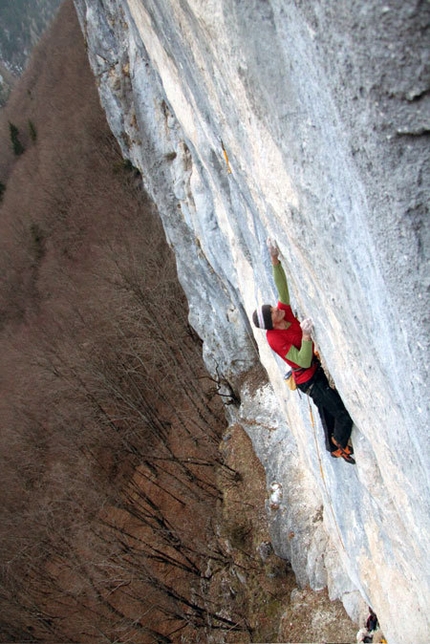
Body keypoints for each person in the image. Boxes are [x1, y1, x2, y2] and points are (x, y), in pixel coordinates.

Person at [252, 240, 355, 464]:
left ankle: (332, 447)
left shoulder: (284, 314)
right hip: (308, 380)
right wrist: (306, 337)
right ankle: (340, 442)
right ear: (272, 322)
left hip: (313, 372)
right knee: (342, 414)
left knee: (326, 410)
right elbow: (302, 358)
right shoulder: (275, 339)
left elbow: (283, 290)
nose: (276, 308)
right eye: (272, 311)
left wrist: (274, 260)